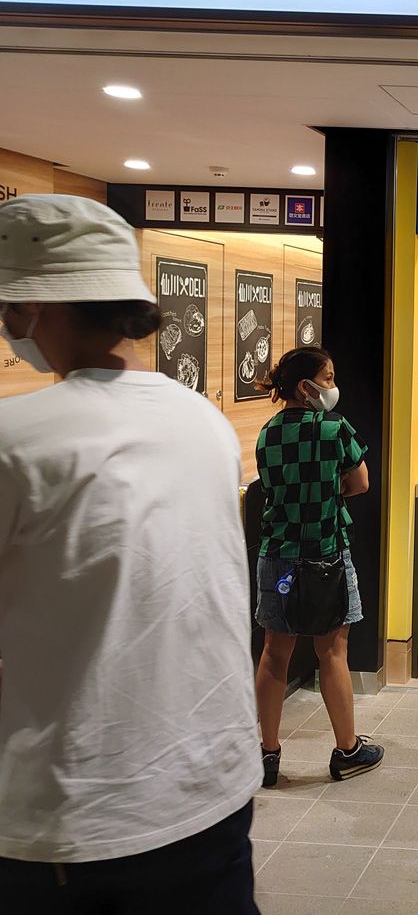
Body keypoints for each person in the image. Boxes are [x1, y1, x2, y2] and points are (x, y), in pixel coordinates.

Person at [0, 195, 262, 910]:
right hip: (213, 786)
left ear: (34, 304)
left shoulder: (17, 439)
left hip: (79, 816)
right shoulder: (202, 419)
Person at [254, 346, 383, 787]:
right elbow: (360, 483)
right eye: (327, 379)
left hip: (278, 554)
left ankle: (267, 754)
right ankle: (347, 750)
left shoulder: (268, 432)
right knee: (332, 651)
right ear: (306, 387)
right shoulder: (334, 427)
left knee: (275, 653)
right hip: (326, 551)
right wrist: (329, 491)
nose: (332, 386)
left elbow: (272, 487)